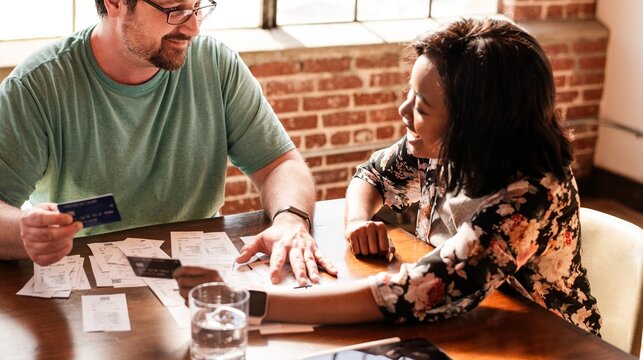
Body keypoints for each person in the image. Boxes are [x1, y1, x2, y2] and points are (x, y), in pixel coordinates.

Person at [174, 17, 601, 335]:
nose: (404, 113)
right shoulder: (438, 149)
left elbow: (424, 290)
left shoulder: (530, 197)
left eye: (422, 107)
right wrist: (357, 221)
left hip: (547, 342)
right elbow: (371, 176)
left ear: (475, 123)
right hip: (468, 325)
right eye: (408, 96)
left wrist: (247, 301)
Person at [0, 0, 336, 285]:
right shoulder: (36, 86)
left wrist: (290, 220)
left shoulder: (215, 63)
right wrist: (26, 233)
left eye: (198, 7)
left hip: (195, 278)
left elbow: (280, 164)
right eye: (174, 9)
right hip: (87, 282)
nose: (193, 29)